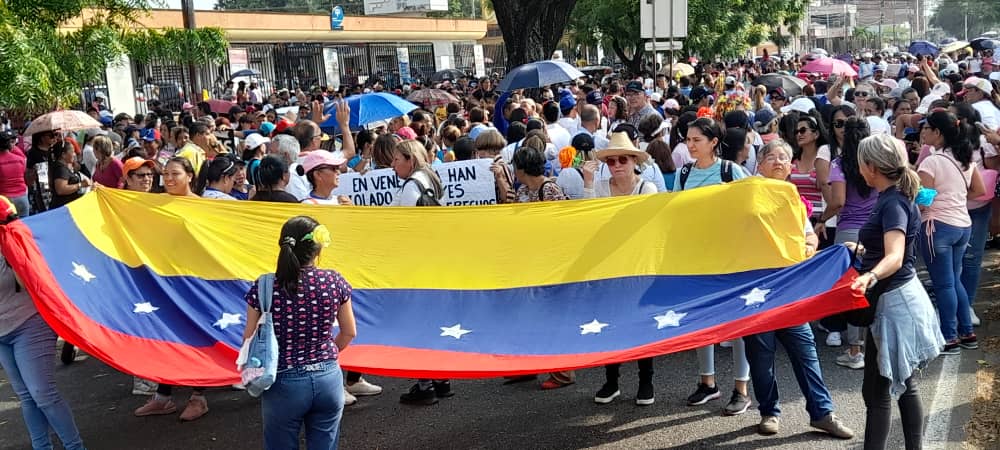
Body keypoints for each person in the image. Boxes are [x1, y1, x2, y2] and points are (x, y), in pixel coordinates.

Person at [744, 140, 854, 439]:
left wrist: (810, 243)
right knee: (761, 355)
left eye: (784, 157)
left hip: (790, 289)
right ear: (760, 164)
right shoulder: (747, 192)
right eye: (772, 157)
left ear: (791, 166)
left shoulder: (792, 197)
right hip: (756, 289)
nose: (779, 161)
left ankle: (822, 412)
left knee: (806, 351)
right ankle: (769, 412)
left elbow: (808, 233)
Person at [852, 133, 945, 449]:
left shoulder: (893, 201)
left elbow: (894, 255)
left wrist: (870, 276)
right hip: (900, 295)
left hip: (893, 299)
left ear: (871, 166)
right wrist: (862, 251)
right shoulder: (895, 196)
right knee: (901, 384)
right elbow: (889, 250)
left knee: (880, 391)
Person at [243, 215, 355, 448]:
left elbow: (249, 338)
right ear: (318, 249)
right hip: (328, 379)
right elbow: (349, 332)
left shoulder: (264, 286)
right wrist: (327, 353)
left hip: (282, 381)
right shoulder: (333, 281)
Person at [674, 118, 751, 415]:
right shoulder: (683, 172)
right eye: (688, 140)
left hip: (731, 256)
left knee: (738, 323)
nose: (690, 145)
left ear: (713, 142)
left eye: (697, 140)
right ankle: (708, 383)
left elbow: (752, 204)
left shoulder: (731, 171)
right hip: (697, 256)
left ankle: (741, 389)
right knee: (702, 321)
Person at [0, 196, 85, 449]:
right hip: (1, 333)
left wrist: (12, 246)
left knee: (42, 394)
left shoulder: (13, 241)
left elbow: (31, 282)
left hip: (30, 323)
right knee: (26, 397)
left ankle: (75, 447)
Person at [581, 131, 658, 405]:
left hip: (638, 264)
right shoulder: (600, 187)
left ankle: (645, 381)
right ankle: (611, 381)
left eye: (622, 159)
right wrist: (588, 183)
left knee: (641, 322)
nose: (616, 165)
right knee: (610, 321)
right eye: (611, 161)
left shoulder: (646, 188)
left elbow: (645, 226)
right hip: (608, 265)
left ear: (634, 160)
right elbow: (589, 221)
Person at [134, 157, 210, 421]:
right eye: (164, 174)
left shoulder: (204, 207)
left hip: (196, 282)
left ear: (190, 176)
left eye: (174, 173)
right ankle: (163, 396)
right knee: (168, 336)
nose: (167, 178)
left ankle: (198, 397)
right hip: (164, 282)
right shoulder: (156, 204)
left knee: (196, 337)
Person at [388, 140, 453, 405]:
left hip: (416, 263)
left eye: (395, 160)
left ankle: (425, 383)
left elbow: (405, 228)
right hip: (435, 259)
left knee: (418, 323)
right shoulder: (431, 178)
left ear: (409, 160)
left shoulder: (410, 187)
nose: (392, 166)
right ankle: (441, 378)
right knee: (433, 320)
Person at [917, 110, 987, 354]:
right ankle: (966, 332)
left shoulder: (931, 162)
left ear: (937, 133)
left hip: (937, 225)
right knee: (953, 280)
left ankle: (949, 336)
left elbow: (923, 201)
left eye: (926, 128)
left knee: (943, 283)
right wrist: (954, 197)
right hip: (962, 224)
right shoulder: (965, 158)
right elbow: (979, 190)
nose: (922, 132)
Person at [816, 117, 876, 367]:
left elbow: (838, 201)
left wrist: (822, 218)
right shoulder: (876, 162)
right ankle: (875, 344)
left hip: (849, 230)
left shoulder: (839, 164)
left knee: (852, 288)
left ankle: (854, 351)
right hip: (877, 227)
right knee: (876, 284)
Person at [47, 142, 90, 209]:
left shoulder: (59, 166)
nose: (74, 154)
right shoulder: (61, 169)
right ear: (63, 155)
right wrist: (80, 184)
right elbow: (61, 190)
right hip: (62, 208)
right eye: (72, 152)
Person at [0, 131, 28, 216]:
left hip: (5, 200)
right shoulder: (20, 159)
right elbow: (24, 173)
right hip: (22, 197)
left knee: (7, 227)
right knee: (24, 224)